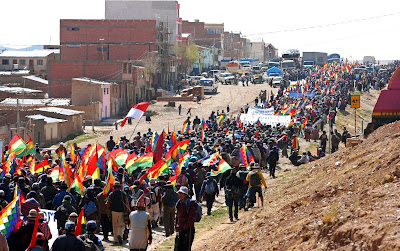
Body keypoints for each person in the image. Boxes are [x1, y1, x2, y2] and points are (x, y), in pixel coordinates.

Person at [174, 186, 196, 251]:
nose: (180, 195)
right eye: (179, 193)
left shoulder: (189, 204)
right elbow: (177, 215)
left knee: (186, 248)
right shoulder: (179, 203)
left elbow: (192, 217)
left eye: (182, 193)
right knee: (177, 247)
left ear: (185, 194)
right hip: (180, 228)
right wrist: (176, 226)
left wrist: (186, 226)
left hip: (188, 230)